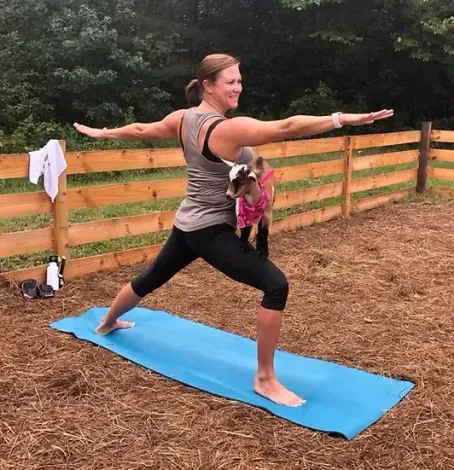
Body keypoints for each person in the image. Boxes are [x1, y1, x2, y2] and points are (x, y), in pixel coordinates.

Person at [73, 53, 393, 407]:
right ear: (208, 85)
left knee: (150, 278)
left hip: (187, 223)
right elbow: (287, 127)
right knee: (276, 285)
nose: (238, 87)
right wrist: (343, 119)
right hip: (209, 230)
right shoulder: (225, 129)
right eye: (230, 81)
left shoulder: (183, 119)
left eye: (239, 80)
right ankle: (265, 378)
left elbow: (139, 130)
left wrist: (103, 132)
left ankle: (106, 323)